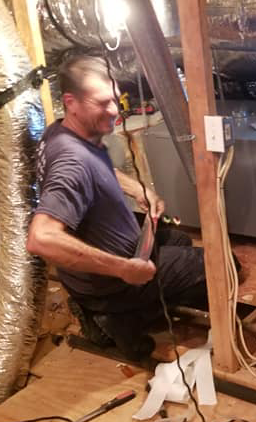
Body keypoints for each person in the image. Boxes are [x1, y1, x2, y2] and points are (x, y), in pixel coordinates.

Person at [27, 55, 207, 360]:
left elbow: (97, 169)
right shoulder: (72, 162)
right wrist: (124, 269)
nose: (114, 111)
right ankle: (120, 318)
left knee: (179, 241)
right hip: (111, 281)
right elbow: (40, 238)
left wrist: (138, 190)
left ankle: (104, 307)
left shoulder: (61, 132)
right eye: (102, 103)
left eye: (115, 100)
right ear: (71, 102)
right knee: (221, 269)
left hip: (96, 270)